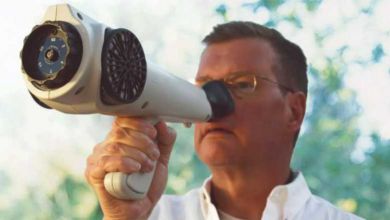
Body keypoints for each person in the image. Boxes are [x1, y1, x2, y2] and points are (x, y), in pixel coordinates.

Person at [85, 21, 363, 220]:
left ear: (294, 111)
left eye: (242, 84)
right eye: (203, 86)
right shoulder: (151, 216)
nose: (213, 102)